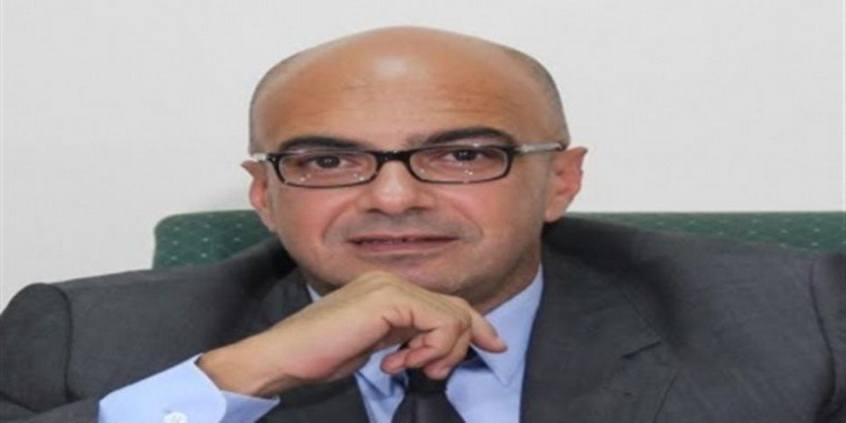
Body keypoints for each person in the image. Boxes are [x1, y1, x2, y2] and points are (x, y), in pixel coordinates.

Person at [0, 26, 843, 423]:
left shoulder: (793, 320)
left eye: (464, 154)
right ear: (263, 194)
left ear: (562, 180)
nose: (395, 197)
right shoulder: (85, 339)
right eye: (326, 161)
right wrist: (240, 376)